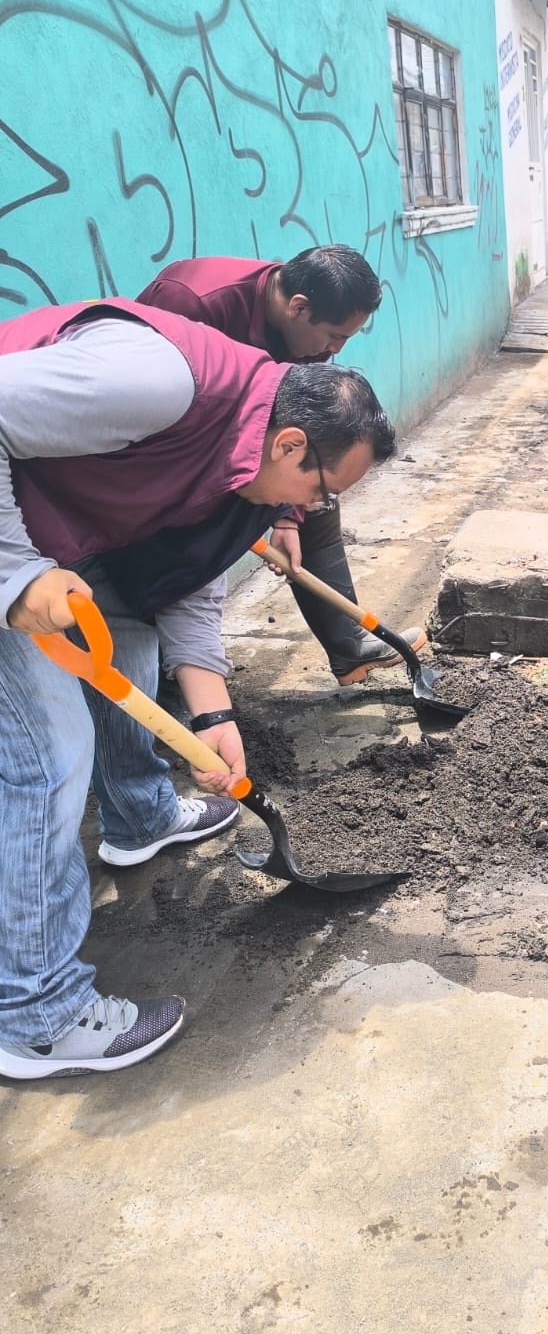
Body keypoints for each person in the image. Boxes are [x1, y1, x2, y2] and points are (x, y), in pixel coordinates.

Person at [0, 296, 395, 1078]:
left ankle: (141, 818)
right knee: (49, 757)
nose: (312, 511)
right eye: (321, 491)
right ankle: (34, 1017)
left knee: (130, 658)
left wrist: (213, 714)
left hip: (65, 538)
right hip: (17, 541)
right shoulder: (156, 384)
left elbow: (189, 579)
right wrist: (14, 572)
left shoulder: (245, 464)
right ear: (289, 443)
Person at [139, 246, 409, 688]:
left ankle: (348, 647)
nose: (335, 350)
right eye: (334, 336)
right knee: (180, 556)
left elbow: (293, 423)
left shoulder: (305, 333)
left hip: (253, 443)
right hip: (176, 454)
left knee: (316, 496)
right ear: (298, 307)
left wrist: (287, 514)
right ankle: (169, 670)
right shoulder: (192, 301)